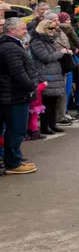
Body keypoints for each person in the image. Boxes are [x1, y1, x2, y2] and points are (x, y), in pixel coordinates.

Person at [0, 17, 40, 174]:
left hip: (11, 94)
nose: (26, 31)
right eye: (23, 28)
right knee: (16, 130)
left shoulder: (10, 45)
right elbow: (18, 72)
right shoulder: (10, 47)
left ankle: (12, 159)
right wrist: (31, 86)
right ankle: (13, 163)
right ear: (12, 30)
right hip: (14, 96)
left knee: (12, 130)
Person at [29, 16, 69, 134]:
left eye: (53, 29)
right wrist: (61, 53)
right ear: (43, 29)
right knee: (47, 102)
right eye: (50, 29)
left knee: (54, 101)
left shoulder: (49, 40)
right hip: (45, 74)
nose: (52, 31)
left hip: (54, 73)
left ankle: (53, 124)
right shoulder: (37, 41)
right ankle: (45, 127)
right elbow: (46, 57)